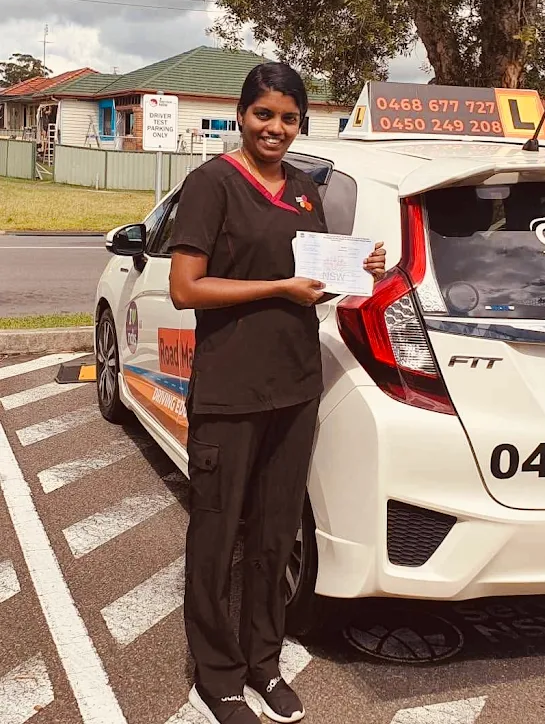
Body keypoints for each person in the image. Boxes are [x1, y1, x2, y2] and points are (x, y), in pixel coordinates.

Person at [168, 62, 385, 724]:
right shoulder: (210, 184)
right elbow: (186, 287)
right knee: (215, 536)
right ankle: (218, 675)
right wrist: (275, 288)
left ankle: (264, 661)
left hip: (294, 387)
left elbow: (313, 281)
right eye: (264, 114)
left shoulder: (302, 190)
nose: (276, 128)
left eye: (289, 117)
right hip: (231, 391)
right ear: (242, 116)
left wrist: (357, 270)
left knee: (272, 536)